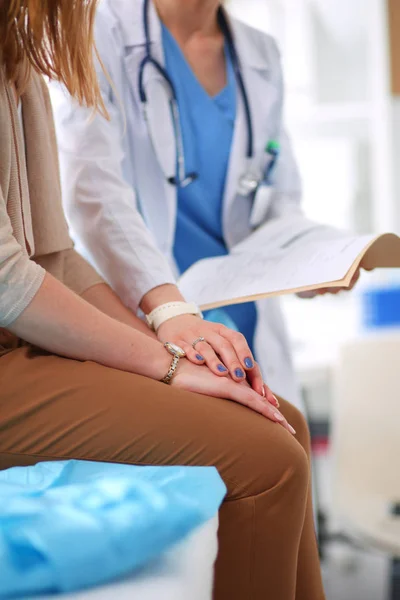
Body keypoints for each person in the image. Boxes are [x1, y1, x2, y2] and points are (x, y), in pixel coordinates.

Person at [0, 1, 326, 598]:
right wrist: (166, 357)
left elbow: (52, 254)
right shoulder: (100, 34)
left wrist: (166, 336)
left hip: (164, 312)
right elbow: (16, 272)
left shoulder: (19, 53)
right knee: (268, 457)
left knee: (288, 425)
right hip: (39, 332)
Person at [50, 0, 360, 412]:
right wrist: (170, 310)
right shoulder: (97, 31)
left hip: (241, 327)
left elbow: (278, 203)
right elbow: (92, 190)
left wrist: (315, 264)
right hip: (153, 318)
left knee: (277, 454)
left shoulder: (259, 53)